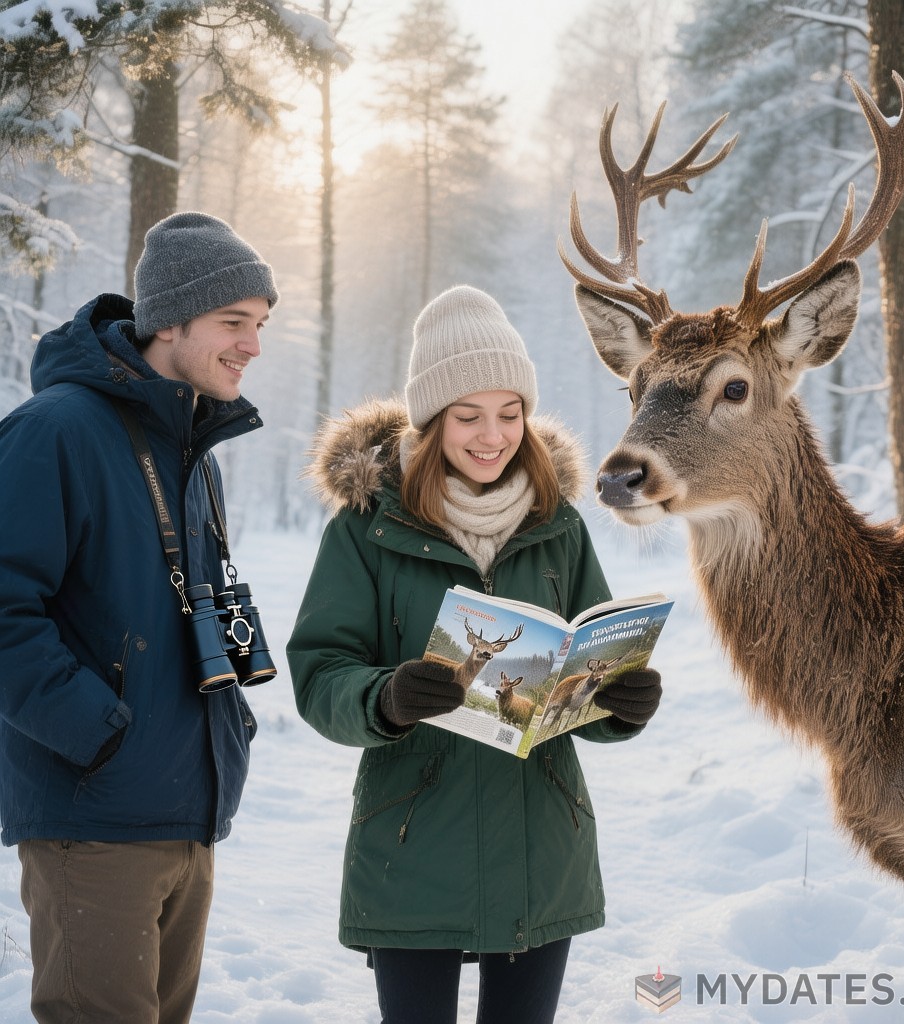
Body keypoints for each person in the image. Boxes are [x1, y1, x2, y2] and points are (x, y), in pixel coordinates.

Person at [287, 284, 663, 1024]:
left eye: (510, 413)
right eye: (468, 416)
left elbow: (582, 670)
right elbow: (319, 671)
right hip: (412, 844)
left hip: (541, 851)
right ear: (431, 421)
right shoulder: (367, 530)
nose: (492, 436)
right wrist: (384, 698)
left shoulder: (560, 527)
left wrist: (621, 702)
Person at [0, 211, 279, 1024]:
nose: (252, 346)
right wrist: (101, 731)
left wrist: (228, 728)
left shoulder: (189, 452)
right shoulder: (54, 433)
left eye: (259, 325)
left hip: (185, 810)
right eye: (234, 322)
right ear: (170, 321)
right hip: (95, 818)